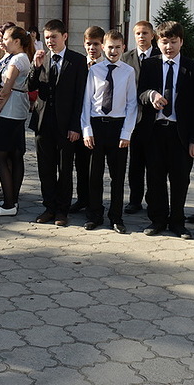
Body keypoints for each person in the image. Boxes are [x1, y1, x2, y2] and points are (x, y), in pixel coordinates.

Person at [138, 21, 194, 239]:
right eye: (164, 42)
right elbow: (140, 93)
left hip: (180, 134)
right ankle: (157, 220)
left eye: (173, 42)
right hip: (155, 131)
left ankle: (177, 221)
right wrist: (151, 95)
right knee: (155, 178)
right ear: (157, 42)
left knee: (180, 179)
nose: (169, 47)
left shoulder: (193, 68)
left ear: (181, 42)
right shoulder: (150, 65)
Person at [28, 19, 87, 227]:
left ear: (65, 36)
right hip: (43, 123)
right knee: (45, 169)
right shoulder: (41, 59)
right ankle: (49, 207)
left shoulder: (77, 61)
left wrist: (75, 126)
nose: (50, 41)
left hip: (66, 125)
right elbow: (30, 86)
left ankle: (62, 210)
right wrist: (35, 67)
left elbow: (80, 96)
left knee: (65, 169)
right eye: (46, 38)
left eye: (54, 37)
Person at [80, 28, 138, 233]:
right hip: (97, 125)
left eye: (117, 47)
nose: (113, 51)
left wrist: (126, 132)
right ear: (103, 47)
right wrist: (87, 130)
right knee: (94, 175)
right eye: (110, 47)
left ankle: (116, 217)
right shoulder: (94, 70)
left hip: (117, 127)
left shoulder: (128, 71)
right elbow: (86, 102)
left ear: (123, 48)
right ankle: (94, 215)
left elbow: (132, 104)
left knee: (117, 176)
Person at [0, 25, 34, 217]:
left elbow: (6, 91)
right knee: (15, 155)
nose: (3, 42)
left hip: (10, 112)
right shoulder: (19, 57)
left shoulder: (17, 59)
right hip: (16, 110)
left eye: (6, 38)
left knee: (0, 155)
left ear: (17, 41)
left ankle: (9, 204)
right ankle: (11, 200)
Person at [123, 20, 159, 215]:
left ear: (152, 35)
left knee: (154, 163)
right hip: (133, 118)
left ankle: (153, 200)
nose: (141, 36)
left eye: (145, 33)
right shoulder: (126, 58)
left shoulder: (160, 56)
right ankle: (134, 200)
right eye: (138, 33)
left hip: (155, 119)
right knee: (135, 162)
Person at [69, 26, 105, 215]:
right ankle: (82, 198)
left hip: (98, 123)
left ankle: (94, 202)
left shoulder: (107, 66)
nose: (92, 48)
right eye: (89, 44)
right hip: (79, 123)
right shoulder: (79, 64)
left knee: (95, 167)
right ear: (84, 44)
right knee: (80, 164)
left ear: (103, 45)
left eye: (96, 44)